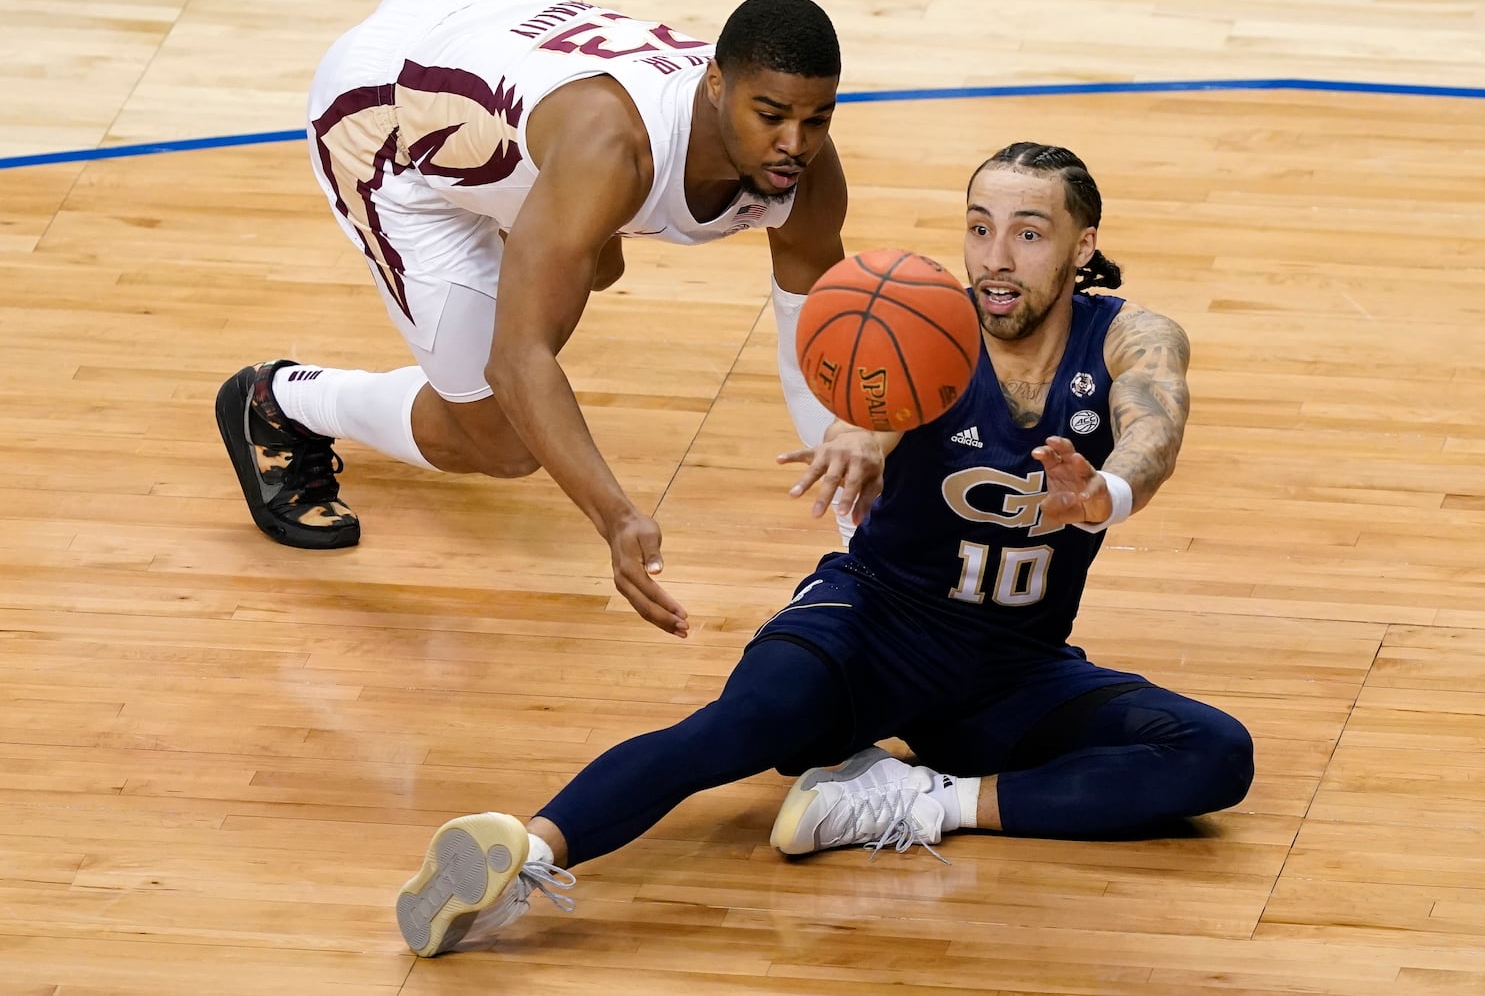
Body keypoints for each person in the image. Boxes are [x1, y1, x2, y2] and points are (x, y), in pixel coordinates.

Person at [391, 142, 1256, 958]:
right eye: (979, 225)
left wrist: (1102, 493)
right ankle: (524, 848)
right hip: (871, 628)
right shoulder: (925, 323)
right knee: (735, 730)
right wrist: (856, 439)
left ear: (1081, 245)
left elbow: (1155, 424)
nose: (996, 256)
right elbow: (871, 405)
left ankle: (925, 800)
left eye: (1029, 233)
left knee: (1215, 753)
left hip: (1014, 670)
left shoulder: (1128, 337)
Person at [215, 0, 862, 636]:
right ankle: (278, 400)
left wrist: (860, 548)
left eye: (817, 119)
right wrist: (616, 514)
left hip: (485, 25)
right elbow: (519, 360)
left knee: (590, 257)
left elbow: (813, 348)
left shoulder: (801, 172)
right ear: (717, 84)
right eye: (772, 117)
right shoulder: (614, 151)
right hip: (387, 118)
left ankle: (526, 222)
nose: (795, 144)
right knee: (504, 438)